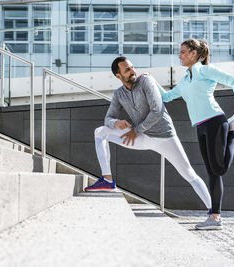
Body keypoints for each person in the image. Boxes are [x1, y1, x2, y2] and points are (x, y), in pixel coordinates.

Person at [85, 56, 212, 215]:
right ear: (118, 76)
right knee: (100, 131)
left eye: (132, 67)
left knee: (189, 174)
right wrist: (116, 122)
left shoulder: (146, 82)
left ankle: (214, 212)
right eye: (127, 70)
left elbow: (157, 110)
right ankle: (108, 180)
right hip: (143, 138)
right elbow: (107, 119)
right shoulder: (119, 94)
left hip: (165, 138)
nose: (132, 71)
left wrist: (136, 130)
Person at [158, 38, 234, 230]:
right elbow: (166, 97)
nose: (179, 56)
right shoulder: (184, 80)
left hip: (215, 121)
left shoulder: (205, 70)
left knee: (220, 169)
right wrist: (150, 81)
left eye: (182, 52)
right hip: (200, 126)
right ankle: (215, 218)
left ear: (193, 53)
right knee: (213, 173)